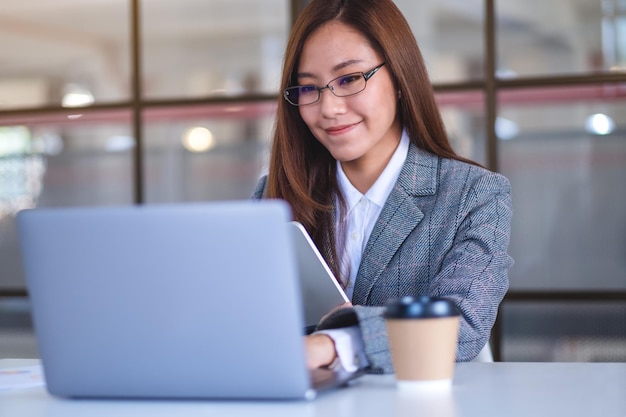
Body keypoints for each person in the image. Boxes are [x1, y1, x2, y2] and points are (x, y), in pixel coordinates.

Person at [252, 0, 513, 374]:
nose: (328, 108)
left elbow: (462, 326)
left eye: (349, 79)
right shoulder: (275, 196)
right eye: (308, 88)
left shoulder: (474, 195)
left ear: (401, 78)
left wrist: (334, 344)